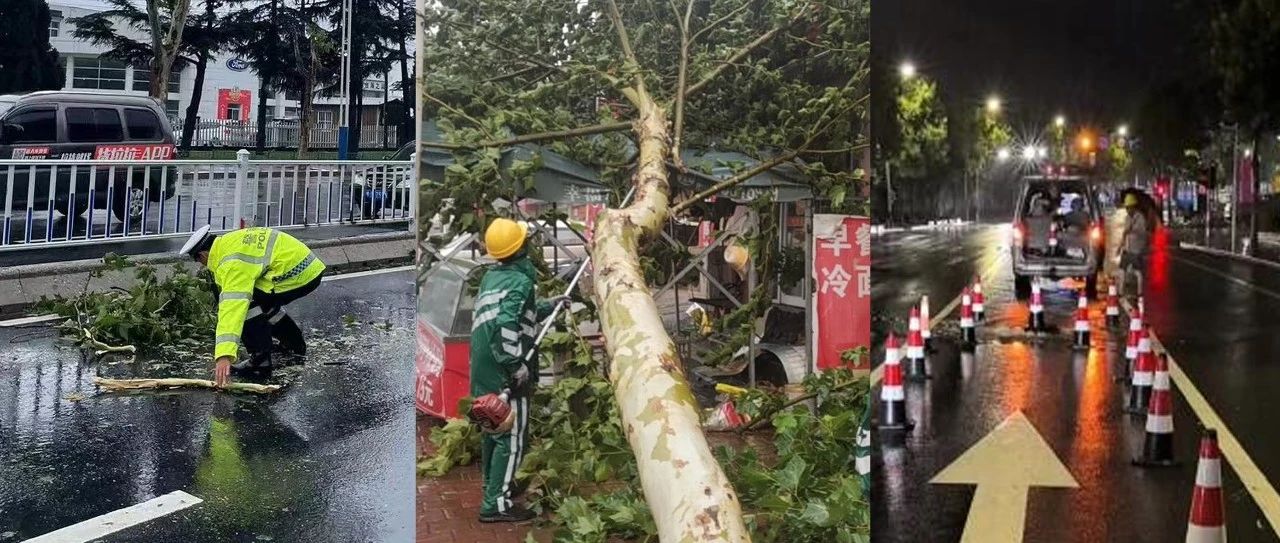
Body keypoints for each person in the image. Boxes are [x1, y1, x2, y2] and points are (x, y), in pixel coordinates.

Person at [470, 218, 568, 523]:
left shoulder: (492, 277)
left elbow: (516, 310)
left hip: (483, 366)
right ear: (522, 247)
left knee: (491, 427)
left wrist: (549, 305)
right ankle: (496, 504)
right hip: (504, 368)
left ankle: (493, 486)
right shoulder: (522, 280)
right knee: (510, 434)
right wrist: (517, 365)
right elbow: (506, 325)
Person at [179, 225, 326, 386]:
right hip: (307, 266)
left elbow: (232, 309)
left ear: (202, 255)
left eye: (199, 261)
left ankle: (260, 361)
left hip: (296, 274)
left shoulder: (231, 264)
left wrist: (224, 355)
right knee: (261, 299)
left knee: (247, 305)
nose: (202, 265)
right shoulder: (228, 243)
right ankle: (293, 343)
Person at [1116, 193, 1150, 297]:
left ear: (1134, 207)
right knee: (1122, 270)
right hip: (1127, 248)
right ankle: (1120, 292)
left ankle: (1140, 292)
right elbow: (1124, 233)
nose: (1128, 210)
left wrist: (1132, 230)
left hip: (1136, 249)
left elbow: (1142, 232)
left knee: (1138, 271)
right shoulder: (1127, 218)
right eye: (1126, 208)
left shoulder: (1140, 218)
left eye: (1129, 207)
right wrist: (1120, 247)